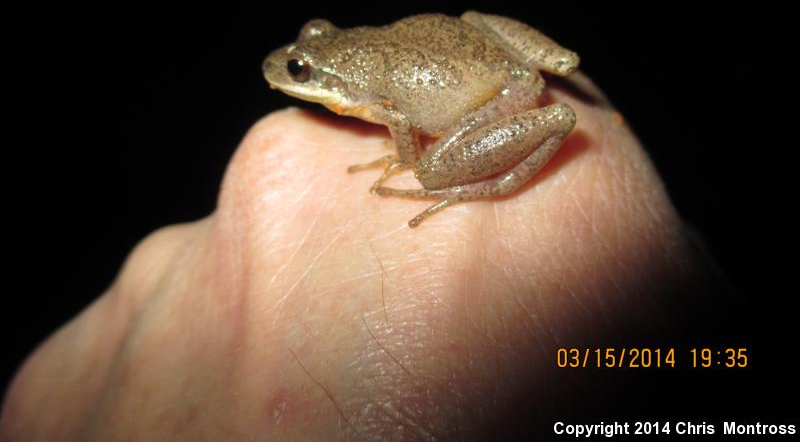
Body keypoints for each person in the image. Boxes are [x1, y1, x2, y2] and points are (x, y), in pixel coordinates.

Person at [1, 73, 718, 440]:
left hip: (488, 105)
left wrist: (406, 166)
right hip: (490, 64)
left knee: (430, 169)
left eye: (307, 69)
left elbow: (403, 119)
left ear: (335, 81)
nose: (293, 73)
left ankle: (479, 182)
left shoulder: (364, 96)